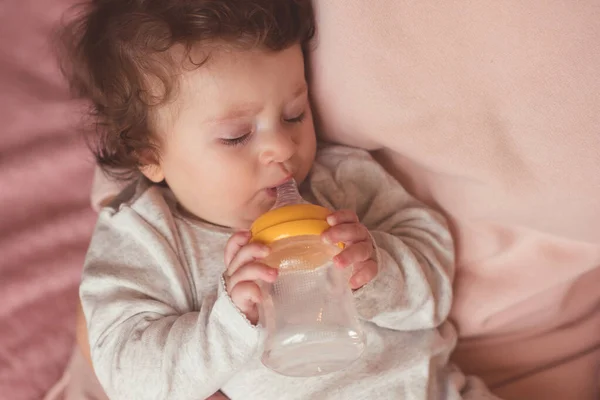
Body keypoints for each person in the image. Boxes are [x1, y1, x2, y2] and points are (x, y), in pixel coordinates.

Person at [48, 1, 502, 399]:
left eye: (294, 115)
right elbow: (131, 379)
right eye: (237, 136)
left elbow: (435, 283)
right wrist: (228, 320)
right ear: (150, 156)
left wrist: (377, 271)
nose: (283, 148)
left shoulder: (341, 182)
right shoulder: (145, 239)